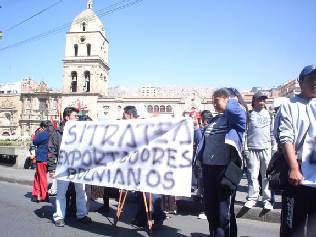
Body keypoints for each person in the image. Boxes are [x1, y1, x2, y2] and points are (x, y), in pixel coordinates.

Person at [195, 87, 247, 237]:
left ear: (227, 100)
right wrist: (196, 129)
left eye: (216, 101)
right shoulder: (214, 119)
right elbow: (203, 142)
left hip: (225, 171)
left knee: (224, 213)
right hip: (208, 170)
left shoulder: (235, 120)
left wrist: (231, 99)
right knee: (210, 209)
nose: (214, 105)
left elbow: (239, 111)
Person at [275, 64, 316, 237]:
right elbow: (286, 138)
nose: (315, 83)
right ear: (300, 81)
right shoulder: (289, 105)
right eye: (311, 79)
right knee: (292, 228)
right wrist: (293, 167)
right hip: (297, 177)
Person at [122, 105, 166, 230]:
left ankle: (157, 217)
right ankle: (142, 217)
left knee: (151, 192)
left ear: (127, 115)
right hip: (139, 163)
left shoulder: (144, 123)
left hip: (151, 163)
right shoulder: (131, 127)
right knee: (140, 191)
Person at [52, 107, 92, 227]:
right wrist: (51, 168)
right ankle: (59, 217)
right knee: (61, 193)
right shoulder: (58, 133)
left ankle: (81, 215)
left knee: (81, 191)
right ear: (67, 117)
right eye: (75, 116)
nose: (77, 118)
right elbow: (52, 150)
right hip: (63, 167)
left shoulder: (81, 132)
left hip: (78, 167)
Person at [243, 91, 275, 210]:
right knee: (252, 175)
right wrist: (245, 148)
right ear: (254, 102)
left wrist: (274, 147)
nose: (262, 102)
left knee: (266, 176)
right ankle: (252, 198)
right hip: (252, 149)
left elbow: (273, 132)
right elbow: (245, 133)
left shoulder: (270, 114)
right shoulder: (249, 115)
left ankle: (267, 200)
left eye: (263, 100)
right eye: (259, 100)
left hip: (266, 149)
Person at [31, 121, 49, 202]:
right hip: (49, 158)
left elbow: (35, 141)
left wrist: (34, 136)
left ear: (42, 127)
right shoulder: (52, 133)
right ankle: (37, 194)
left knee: (41, 177)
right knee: (38, 176)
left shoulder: (43, 134)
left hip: (42, 158)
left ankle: (43, 195)